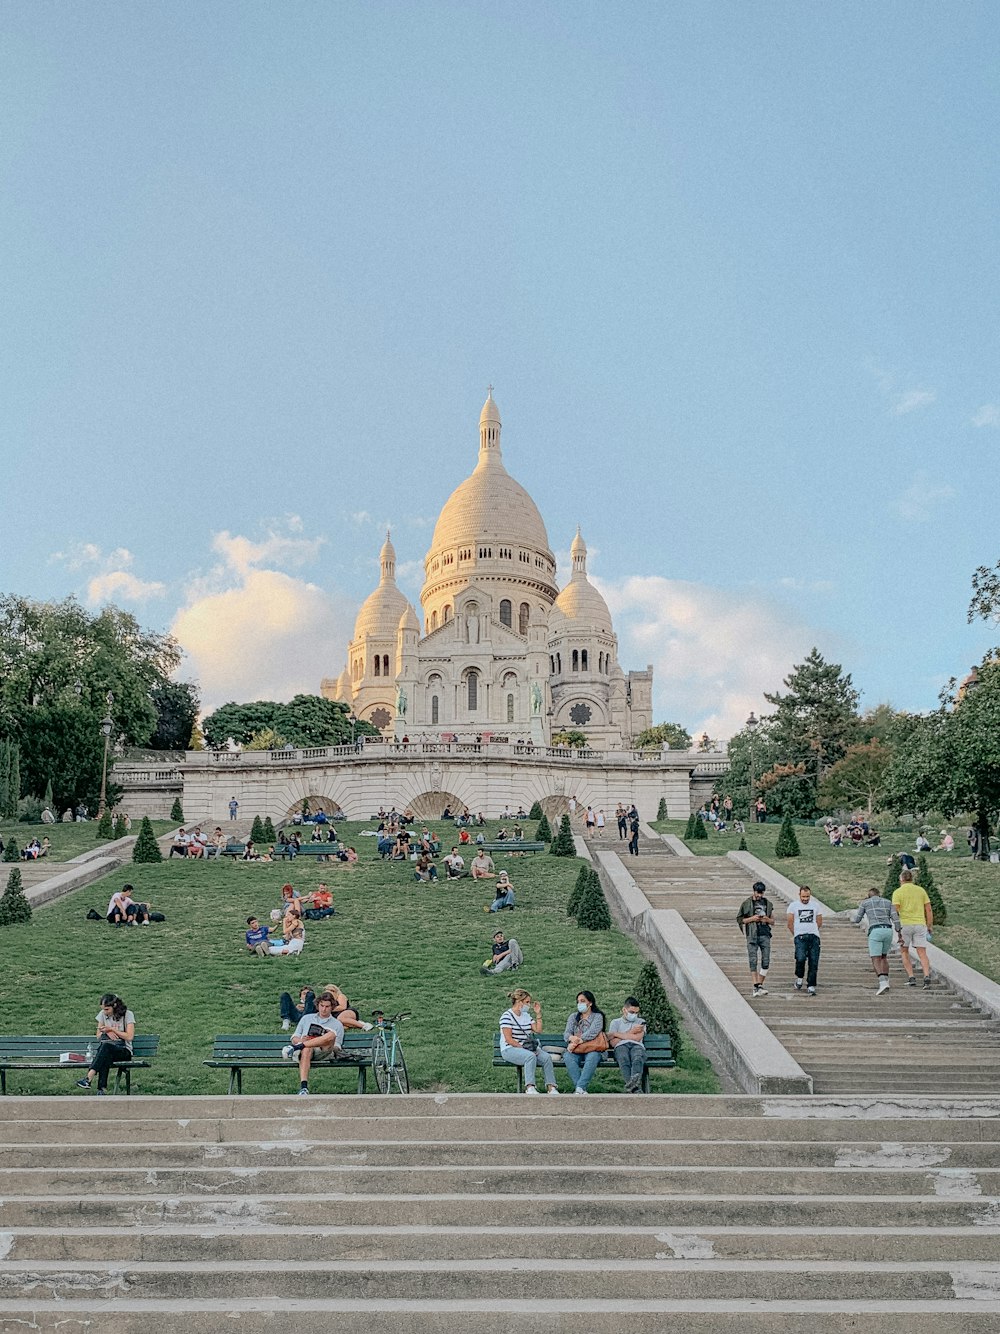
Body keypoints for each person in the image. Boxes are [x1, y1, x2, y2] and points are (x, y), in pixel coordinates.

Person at [498, 989, 558, 1095]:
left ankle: (551, 1087)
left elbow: (538, 1030)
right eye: (527, 1002)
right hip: (510, 1049)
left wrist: (538, 1014)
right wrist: (524, 1049)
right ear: (519, 1002)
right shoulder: (507, 1016)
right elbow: (509, 1039)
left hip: (526, 1048)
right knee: (530, 1056)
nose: (529, 1005)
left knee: (546, 1058)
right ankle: (530, 1087)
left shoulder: (526, 1016)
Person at [283, 993, 345, 1095]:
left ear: (332, 1007)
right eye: (321, 1006)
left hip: (323, 1051)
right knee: (307, 1047)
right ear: (317, 1005)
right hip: (305, 1050)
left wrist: (321, 1041)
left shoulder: (337, 1024)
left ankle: (297, 1047)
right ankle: (304, 1088)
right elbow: (294, 1037)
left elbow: (337, 1047)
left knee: (331, 1035)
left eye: (327, 1006)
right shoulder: (306, 1018)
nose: (324, 1009)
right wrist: (302, 1041)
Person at [76, 994, 135, 1095]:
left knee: (105, 1048)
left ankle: (89, 1078)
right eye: (103, 1009)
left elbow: (129, 1037)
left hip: (124, 1051)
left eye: (107, 1009)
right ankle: (101, 1090)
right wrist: (106, 1032)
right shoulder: (102, 1014)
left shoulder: (127, 1014)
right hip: (108, 1050)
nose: (105, 1012)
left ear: (115, 1005)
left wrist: (112, 1029)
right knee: (105, 1051)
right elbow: (98, 1036)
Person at [851, 886, 901, 995]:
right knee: (883, 957)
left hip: (875, 931)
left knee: (875, 958)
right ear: (879, 894)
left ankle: (882, 982)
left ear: (869, 896)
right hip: (888, 931)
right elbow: (896, 918)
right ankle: (886, 980)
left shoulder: (865, 903)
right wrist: (899, 932)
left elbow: (857, 919)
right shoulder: (888, 902)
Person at [892, 868, 933, 988]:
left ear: (901, 879)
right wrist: (929, 925)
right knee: (922, 953)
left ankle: (911, 977)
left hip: (905, 924)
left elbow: (895, 911)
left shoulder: (898, 892)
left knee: (904, 951)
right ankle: (926, 976)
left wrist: (897, 926)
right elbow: (928, 909)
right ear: (911, 879)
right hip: (920, 924)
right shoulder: (921, 891)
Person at [563, 990, 607, 1095]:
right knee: (568, 1057)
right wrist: (571, 1038)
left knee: (592, 1057)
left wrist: (577, 1041)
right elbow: (566, 1034)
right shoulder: (573, 1017)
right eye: (578, 1001)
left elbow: (592, 1033)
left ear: (590, 1003)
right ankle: (581, 1088)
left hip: (594, 1049)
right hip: (577, 1050)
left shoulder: (598, 1016)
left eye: (583, 1001)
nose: (580, 1004)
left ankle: (580, 1087)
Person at [737, 881, 773, 998]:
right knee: (753, 960)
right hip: (752, 935)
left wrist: (766, 919)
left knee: (766, 960)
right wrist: (752, 918)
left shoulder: (768, 903)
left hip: (764, 934)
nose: (760, 896)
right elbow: (740, 919)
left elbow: (773, 921)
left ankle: (759, 986)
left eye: (761, 893)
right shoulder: (747, 903)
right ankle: (755, 986)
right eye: (758, 893)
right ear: (754, 891)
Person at [787, 885, 823, 995]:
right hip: (800, 937)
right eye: (803, 896)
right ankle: (799, 976)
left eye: (807, 896)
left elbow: (819, 921)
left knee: (813, 961)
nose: (805, 899)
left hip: (813, 936)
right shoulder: (793, 906)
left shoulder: (816, 906)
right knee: (800, 958)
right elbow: (790, 923)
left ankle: (811, 984)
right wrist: (796, 933)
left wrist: (813, 930)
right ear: (799, 895)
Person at [608, 997, 647, 1092]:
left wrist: (617, 1034)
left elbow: (637, 1038)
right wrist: (632, 1031)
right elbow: (613, 1043)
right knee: (623, 1059)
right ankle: (635, 1089)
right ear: (624, 1010)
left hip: (636, 1045)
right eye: (632, 1012)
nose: (634, 1015)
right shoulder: (615, 1022)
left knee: (637, 1059)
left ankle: (632, 1087)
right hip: (620, 1047)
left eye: (636, 1013)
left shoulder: (641, 1022)